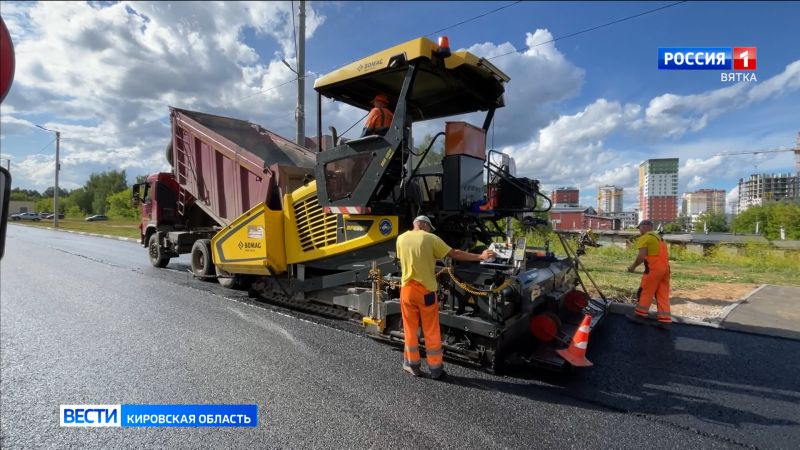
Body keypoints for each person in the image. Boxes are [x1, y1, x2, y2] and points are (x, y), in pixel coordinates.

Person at [395, 215, 495, 379]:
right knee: (431, 330)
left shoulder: (401, 239)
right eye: (429, 227)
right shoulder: (431, 238)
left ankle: (412, 365)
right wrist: (480, 257)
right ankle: (435, 369)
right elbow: (454, 254)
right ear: (425, 225)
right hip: (425, 291)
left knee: (410, 329)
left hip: (406, 290)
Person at [627, 219, 672, 329]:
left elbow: (641, 256)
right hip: (666, 270)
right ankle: (665, 321)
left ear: (645, 227)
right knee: (662, 294)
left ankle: (640, 316)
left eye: (640, 228)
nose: (639, 230)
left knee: (645, 291)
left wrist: (632, 267)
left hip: (653, 270)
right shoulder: (660, 238)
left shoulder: (645, 237)